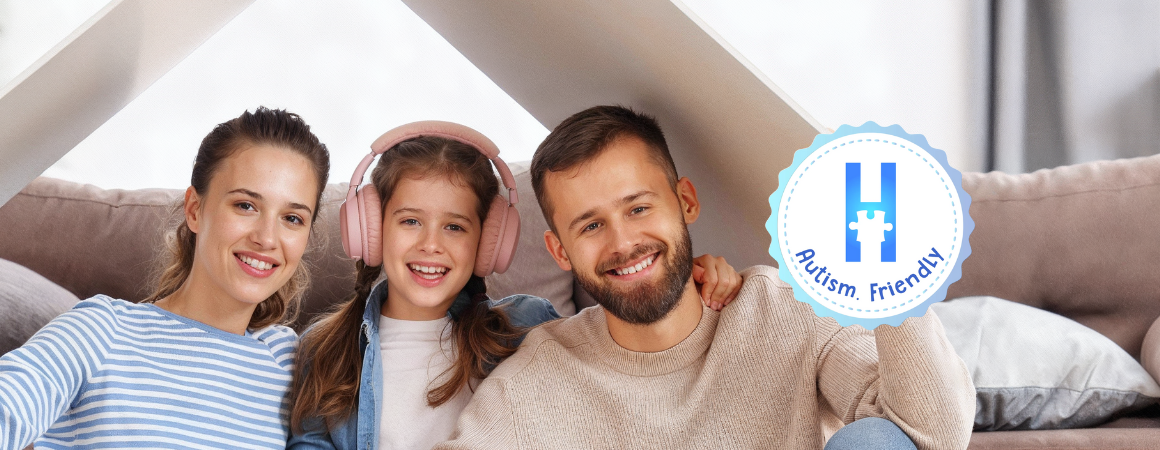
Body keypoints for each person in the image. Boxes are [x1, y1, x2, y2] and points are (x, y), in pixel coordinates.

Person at [436, 106, 977, 450]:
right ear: (559, 250)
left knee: (876, 443)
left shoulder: (782, 312)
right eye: (592, 225)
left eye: (639, 208)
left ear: (685, 203)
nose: (623, 243)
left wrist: (889, 277)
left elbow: (927, 435)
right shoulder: (535, 382)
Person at [287, 121, 743, 449]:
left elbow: (624, 336)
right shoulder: (323, 348)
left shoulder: (526, 328)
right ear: (369, 229)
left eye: (455, 227)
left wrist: (685, 276)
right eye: (410, 221)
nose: (431, 245)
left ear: (490, 242)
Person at [0, 107, 330, 449]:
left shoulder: (289, 360)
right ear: (194, 210)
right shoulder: (103, 329)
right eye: (246, 205)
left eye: (292, 218)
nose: (267, 238)